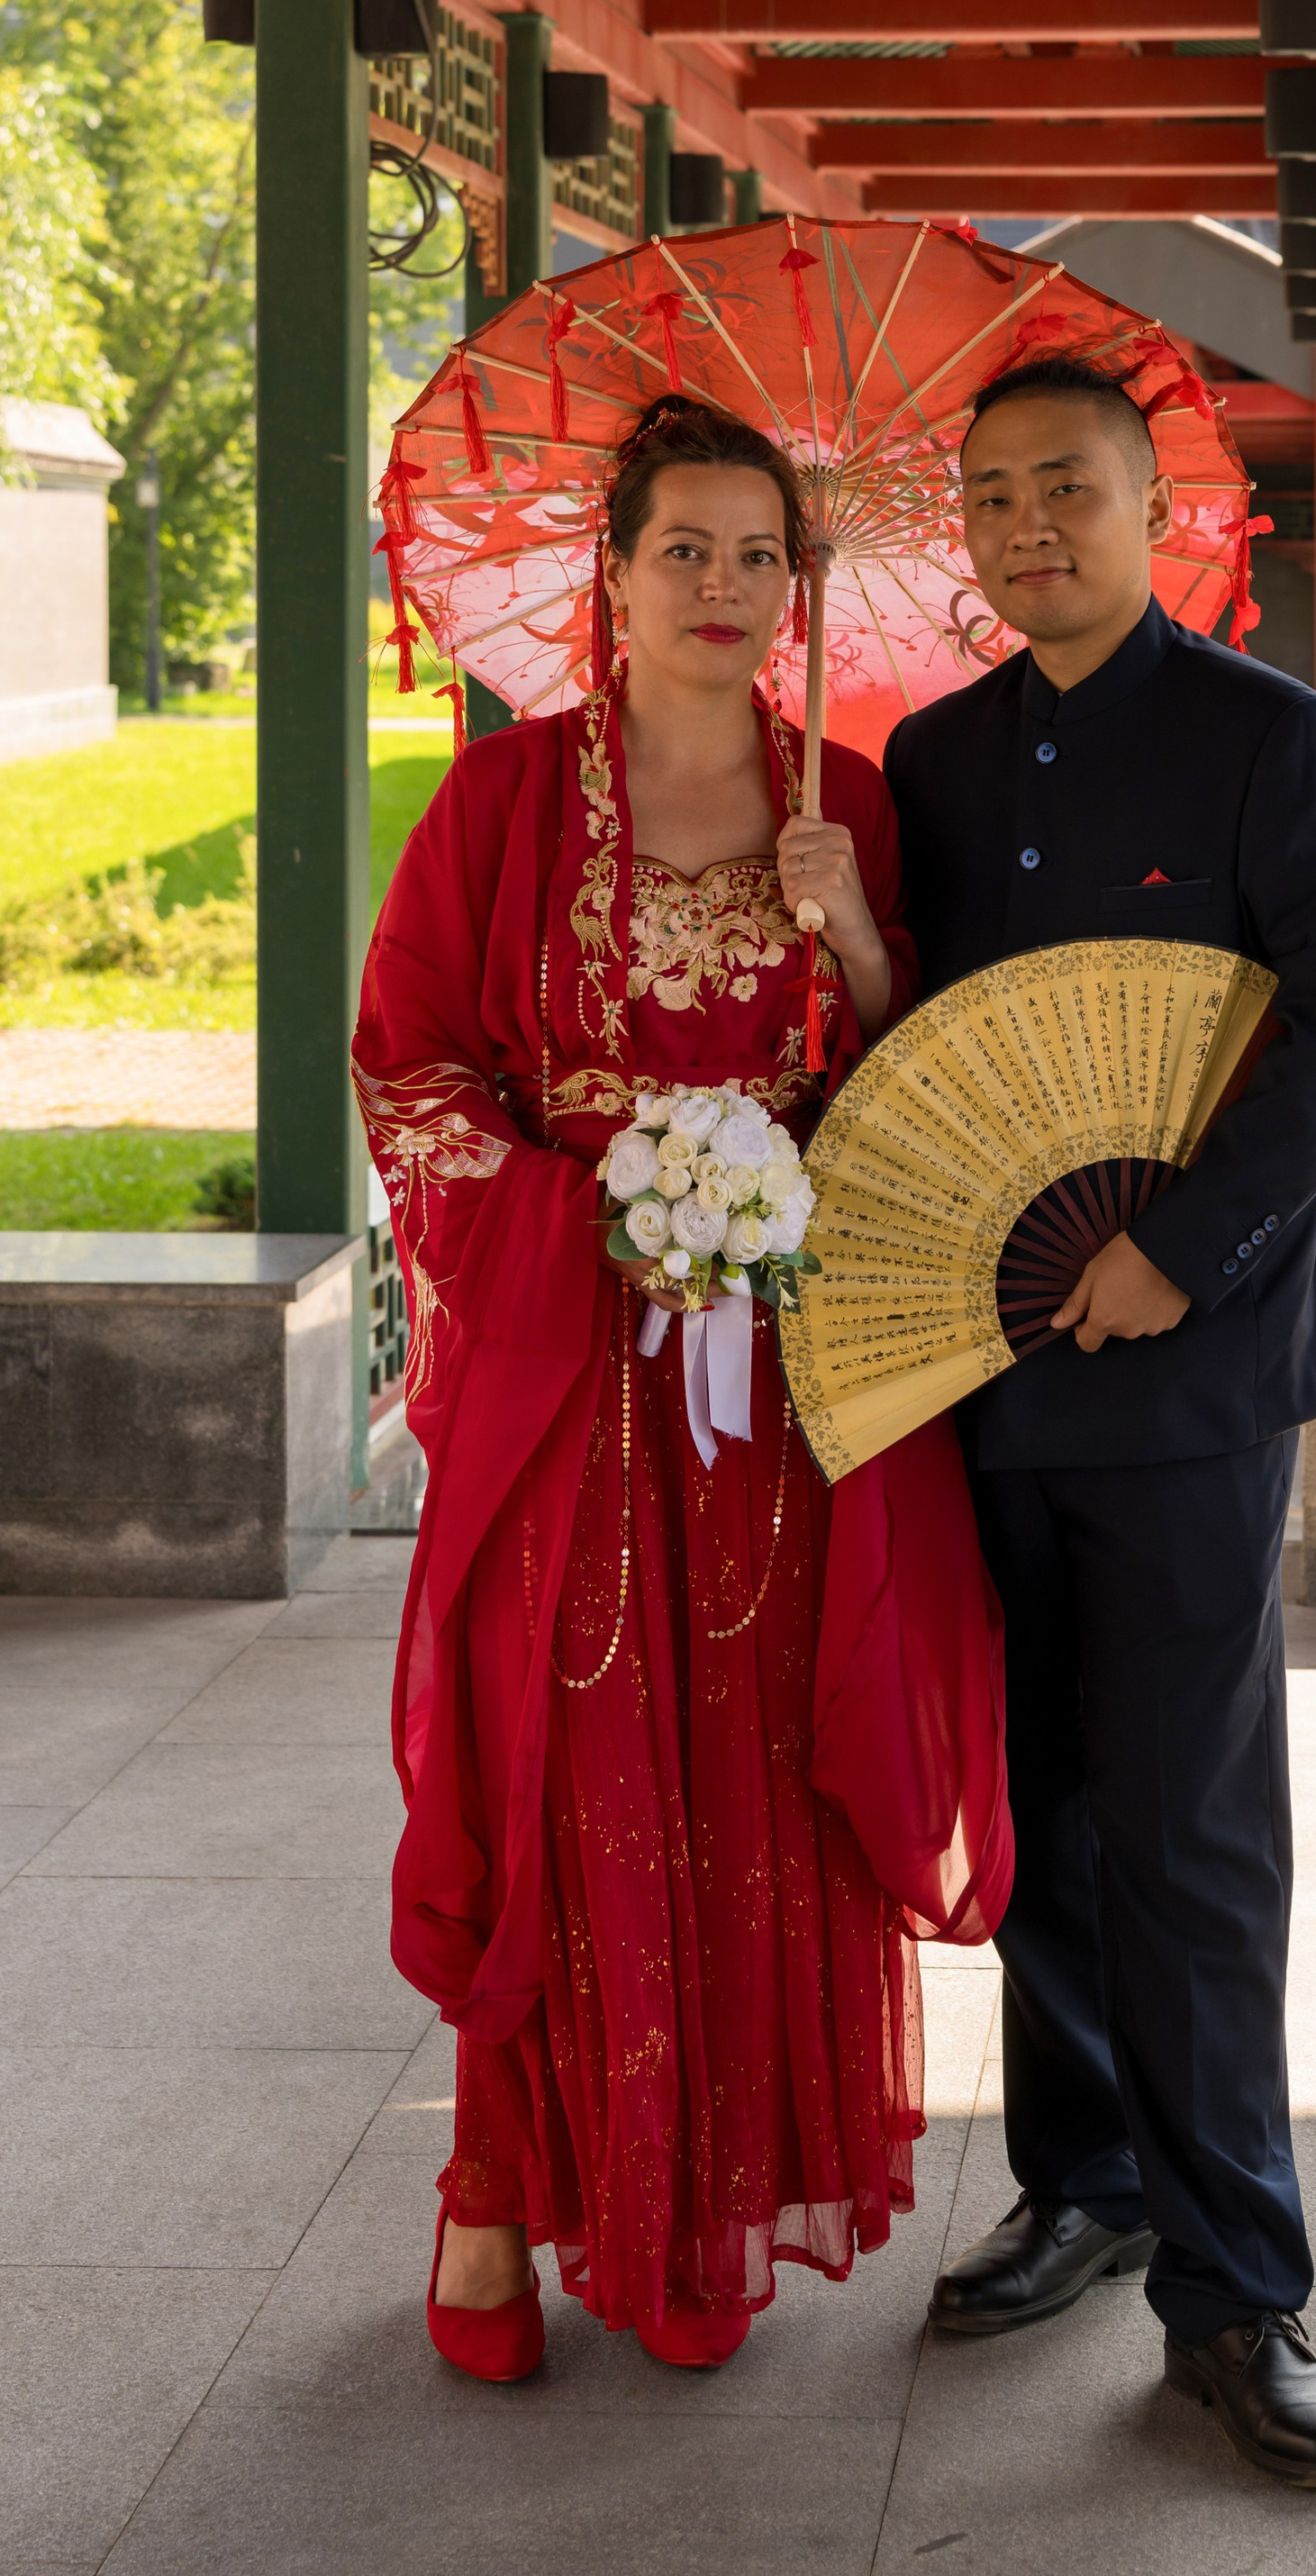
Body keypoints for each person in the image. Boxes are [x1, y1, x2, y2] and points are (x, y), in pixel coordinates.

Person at [356, 393, 1008, 2381]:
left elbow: (909, 1082)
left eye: (757, 555)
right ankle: (494, 2197)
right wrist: (598, 1223)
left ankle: (703, 2200)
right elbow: (413, 1071)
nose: (721, 587)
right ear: (609, 577)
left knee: (753, 1784)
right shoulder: (501, 806)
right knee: (564, 1782)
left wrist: (855, 934)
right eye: (682, 551)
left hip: (787, 1393)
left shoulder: (857, 801)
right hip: (573, 1385)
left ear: (796, 587)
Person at [882, 352, 1316, 2490]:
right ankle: (1084, 2180)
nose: (1030, 530)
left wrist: (1181, 1244)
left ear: (1152, 503)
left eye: (1068, 492)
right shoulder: (921, 761)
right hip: (981, 1367)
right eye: (992, 500)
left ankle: (1238, 2287)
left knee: (1193, 1833)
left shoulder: (1273, 745)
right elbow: (923, 1060)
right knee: (1043, 1816)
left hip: (1188, 1372)